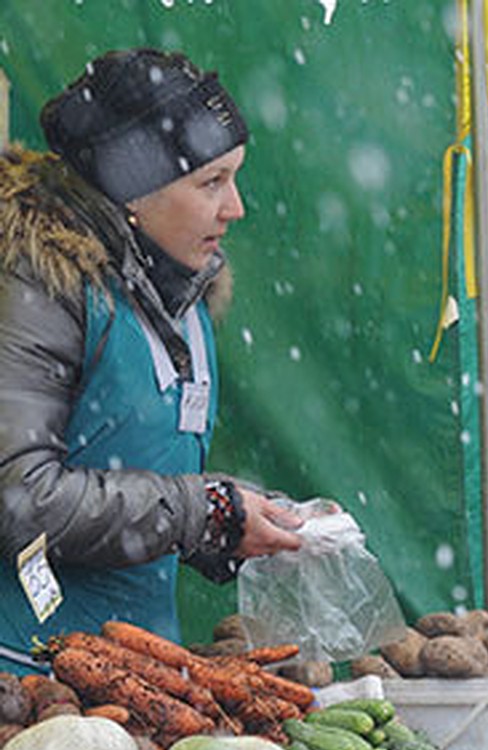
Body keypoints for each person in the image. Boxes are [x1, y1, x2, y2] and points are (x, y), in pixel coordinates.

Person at [0, 48, 303, 668]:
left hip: (139, 679)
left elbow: (141, 471)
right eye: (211, 182)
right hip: (29, 687)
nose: (235, 207)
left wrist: (233, 523)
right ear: (133, 187)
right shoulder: (37, 284)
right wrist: (200, 511)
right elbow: (19, 499)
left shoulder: (184, 290)